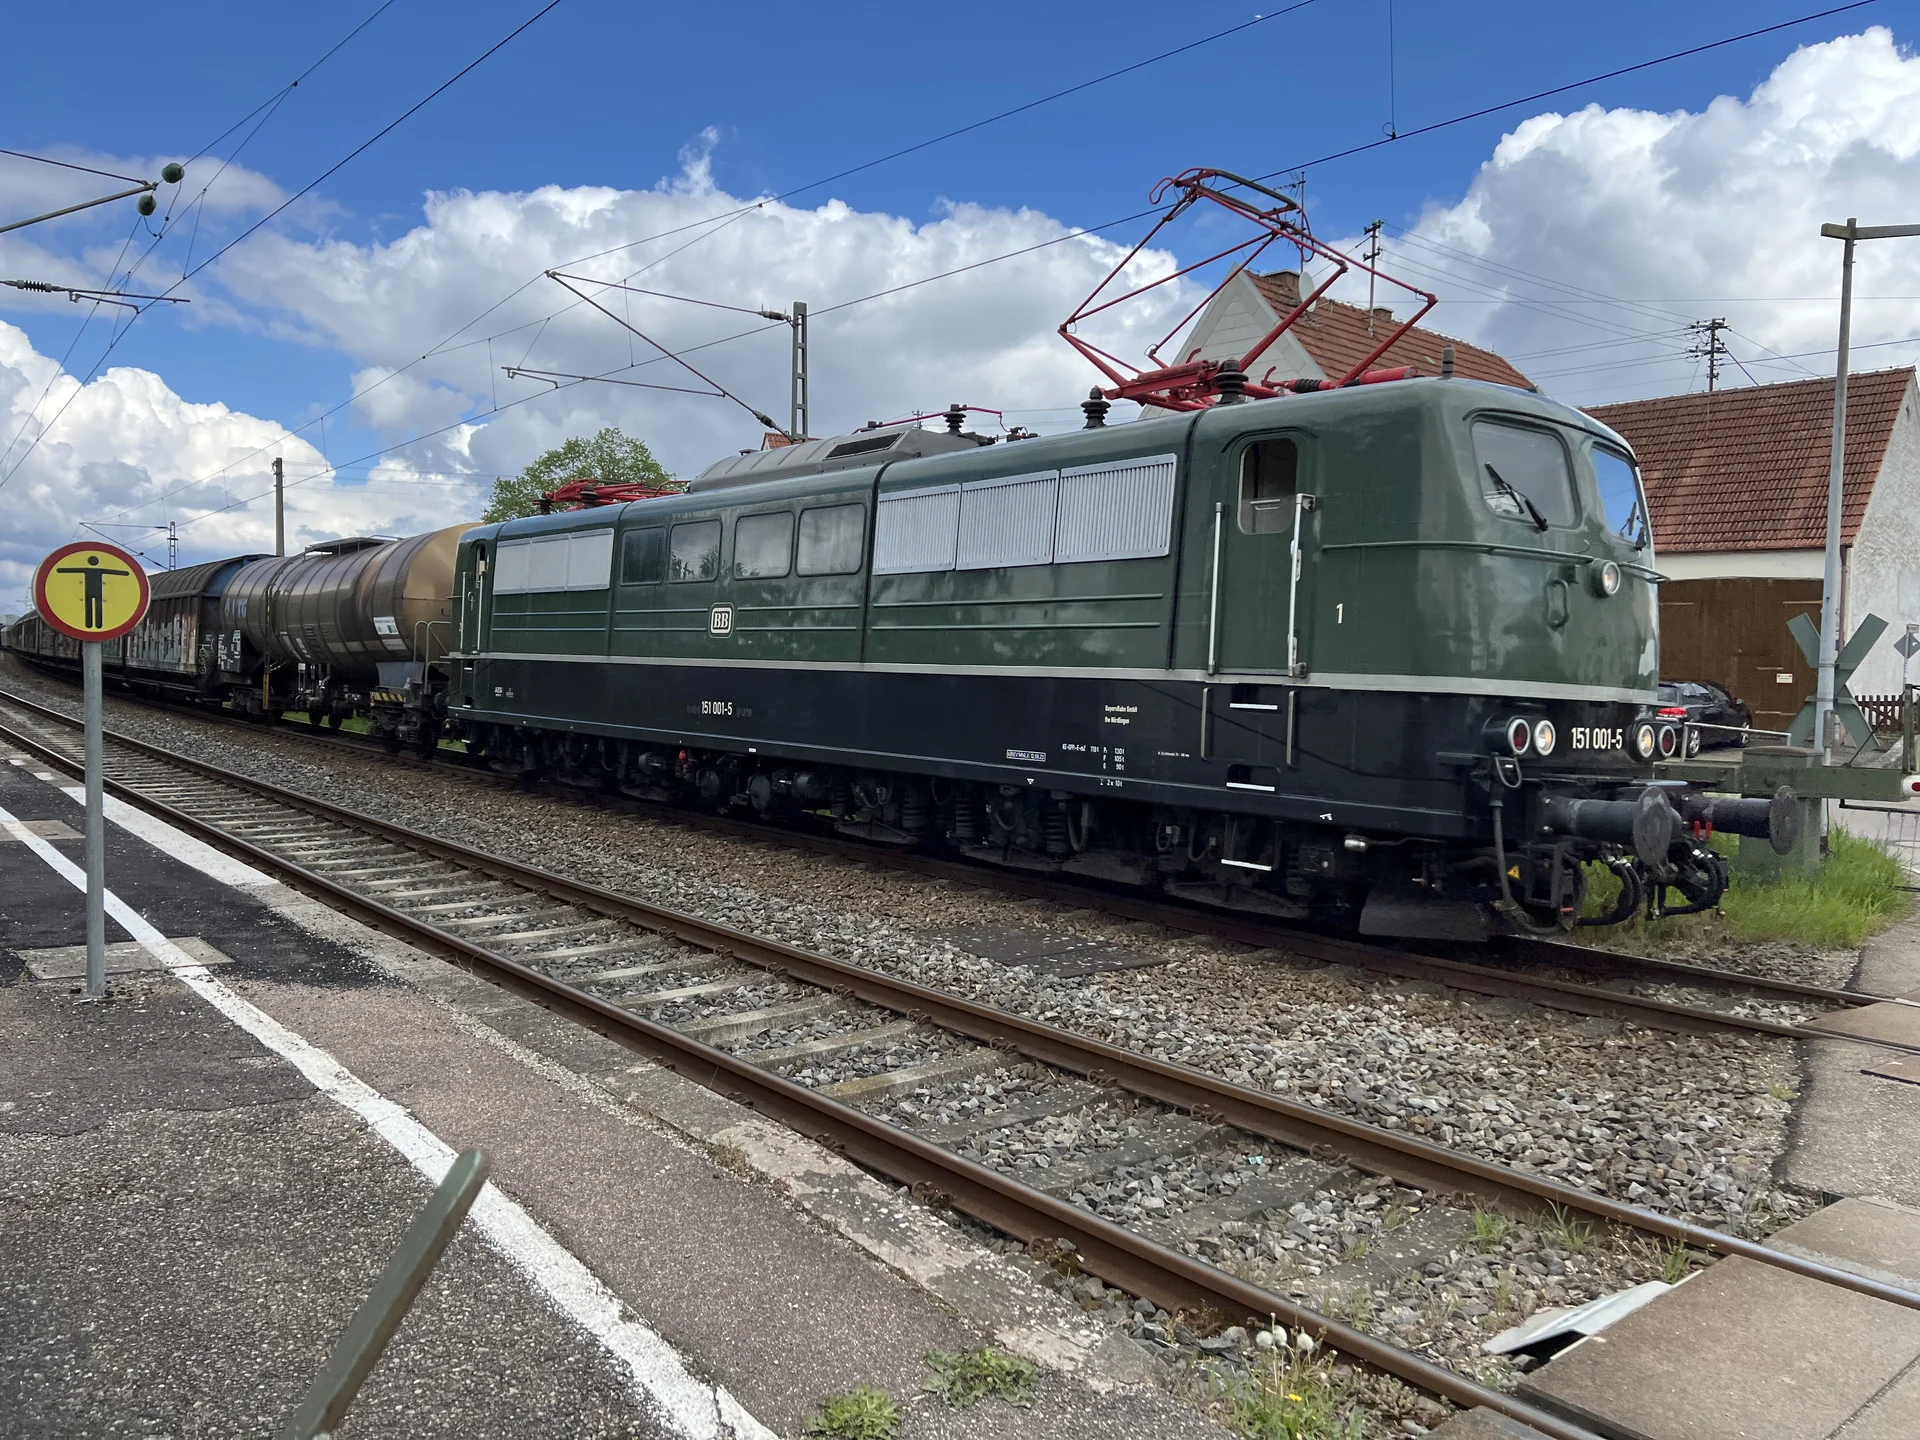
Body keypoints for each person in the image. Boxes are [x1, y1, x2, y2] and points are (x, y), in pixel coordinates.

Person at [55, 553, 131, 630]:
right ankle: (97, 625)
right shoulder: (99, 570)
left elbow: (72, 570)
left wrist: (59, 570)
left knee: (90, 608)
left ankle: (90, 625)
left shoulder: (87, 570)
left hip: (88, 591)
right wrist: (126, 573)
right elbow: (114, 572)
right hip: (98, 591)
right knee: (97, 608)